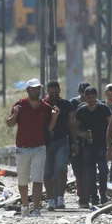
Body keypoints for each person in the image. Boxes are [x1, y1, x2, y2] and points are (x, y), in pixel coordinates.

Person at [6, 79, 57, 217]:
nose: (36, 91)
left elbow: (49, 129)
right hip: (22, 148)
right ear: (27, 90)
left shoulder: (46, 107)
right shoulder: (20, 105)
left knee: (37, 178)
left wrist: (54, 118)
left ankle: (36, 209)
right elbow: (9, 123)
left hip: (39, 148)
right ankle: (24, 206)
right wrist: (15, 114)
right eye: (33, 88)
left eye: (38, 88)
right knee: (22, 180)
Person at [73, 86, 112, 206]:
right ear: (85, 98)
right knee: (90, 171)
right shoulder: (81, 111)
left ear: (97, 96)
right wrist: (82, 134)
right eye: (89, 97)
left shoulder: (104, 109)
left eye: (93, 97)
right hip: (88, 145)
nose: (91, 100)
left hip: (102, 143)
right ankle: (93, 196)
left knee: (103, 169)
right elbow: (75, 128)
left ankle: (103, 193)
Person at [44, 80, 76, 210]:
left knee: (62, 170)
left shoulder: (66, 104)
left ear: (60, 91)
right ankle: (51, 199)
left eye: (56, 93)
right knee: (47, 173)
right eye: (51, 94)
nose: (54, 96)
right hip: (46, 143)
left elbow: (72, 124)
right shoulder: (43, 105)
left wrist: (75, 143)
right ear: (47, 92)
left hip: (62, 141)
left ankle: (60, 198)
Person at [69, 81, 92, 208]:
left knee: (87, 170)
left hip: (90, 142)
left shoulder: (94, 103)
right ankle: (81, 194)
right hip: (75, 140)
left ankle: (86, 196)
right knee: (78, 170)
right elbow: (70, 123)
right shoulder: (72, 103)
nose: (85, 95)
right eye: (83, 92)